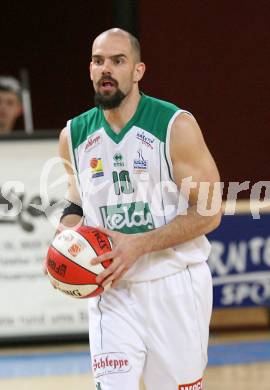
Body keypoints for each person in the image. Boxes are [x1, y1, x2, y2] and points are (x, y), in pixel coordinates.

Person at [56, 28, 221, 390]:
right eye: (98, 61)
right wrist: (65, 235)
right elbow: (75, 201)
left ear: (138, 71)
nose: (106, 69)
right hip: (111, 290)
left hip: (174, 287)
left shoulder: (175, 126)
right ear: (90, 69)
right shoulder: (74, 135)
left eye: (118, 61)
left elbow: (209, 212)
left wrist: (140, 244)